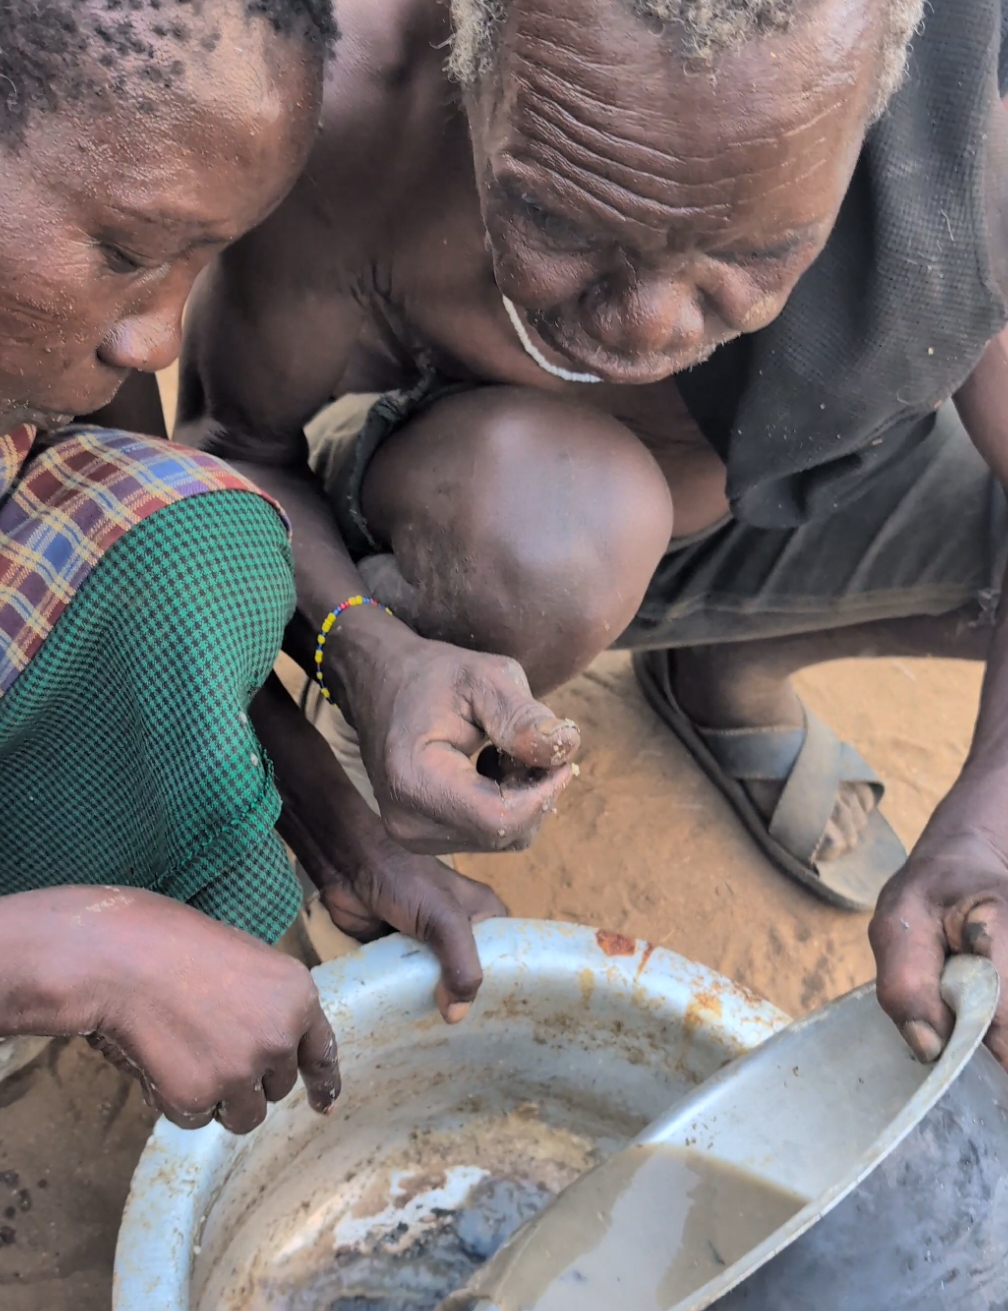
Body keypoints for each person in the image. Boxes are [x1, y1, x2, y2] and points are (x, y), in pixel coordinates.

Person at [178, 0, 1008, 1068]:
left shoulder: (960, 154)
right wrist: (365, 650)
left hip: (774, 480)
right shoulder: (346, 118)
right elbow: (225, 457)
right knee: (560, 533)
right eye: (562, 225)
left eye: (757, 251)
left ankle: (732, 664)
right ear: (473, 59)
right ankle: (417, 714)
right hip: (494, 516)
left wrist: (990, 810)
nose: (648, 330)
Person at [0, 0, 508, 1134]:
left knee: (177, 541)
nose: (158, 340)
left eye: (202, 259)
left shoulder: (72, 351)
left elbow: (159, 613)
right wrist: (74, 955)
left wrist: (343, 835)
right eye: (128, 252)